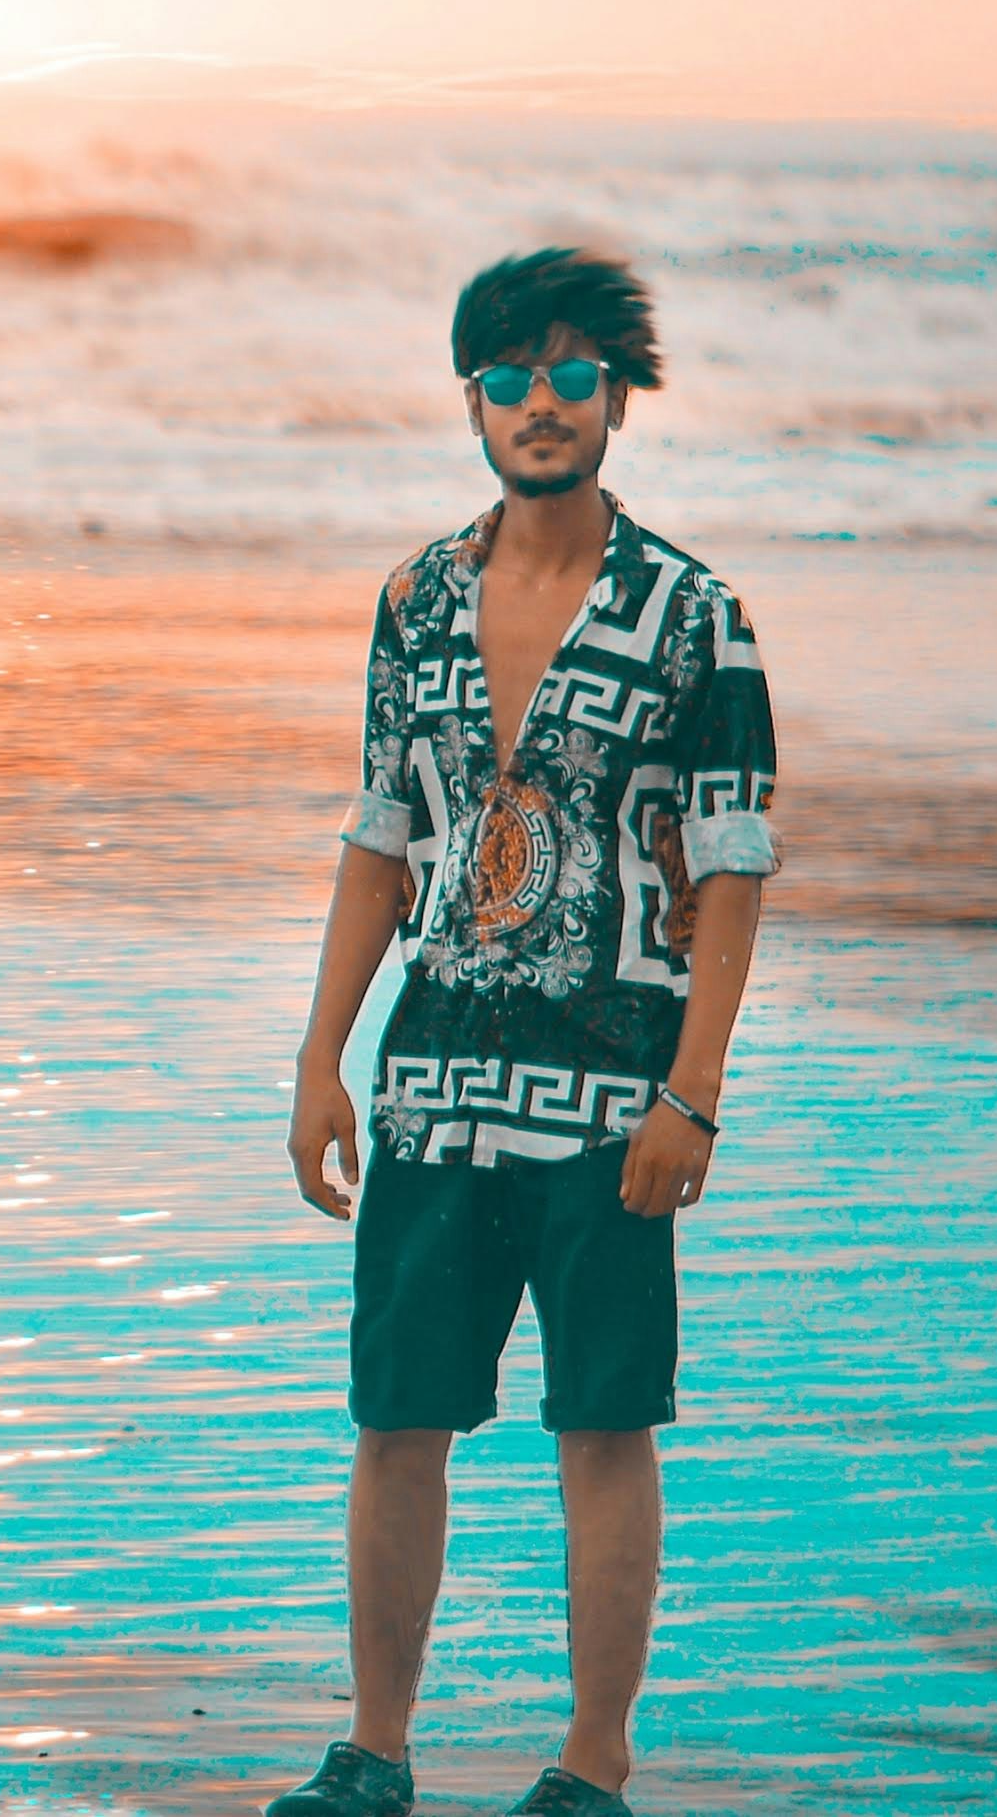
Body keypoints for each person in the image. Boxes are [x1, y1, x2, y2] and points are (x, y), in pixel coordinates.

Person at [261, 246, 780, 1817]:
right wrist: (319, 1059)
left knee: (600, 1424)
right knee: (395, 1417)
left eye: (568, 376)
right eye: (507, 377)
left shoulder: (695, 615)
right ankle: (375, 1752)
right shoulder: (413, 599)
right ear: (470, 398)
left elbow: (736, 862)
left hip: (610, 1089)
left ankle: (591, 1762)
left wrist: (691, 1094)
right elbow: (378, 837)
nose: (538, 404)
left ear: (616, 394)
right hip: (428, 1084)